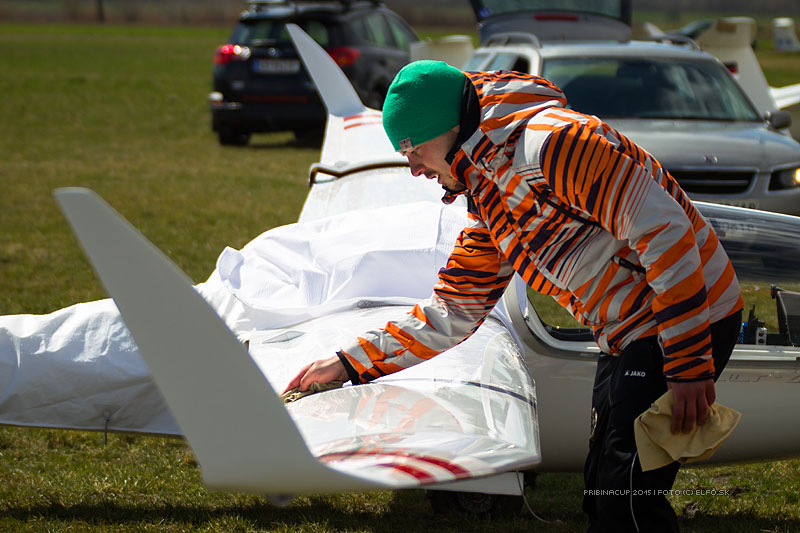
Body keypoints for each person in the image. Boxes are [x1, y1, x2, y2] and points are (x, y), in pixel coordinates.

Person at [283, 61, 743, 531]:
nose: (414, 168)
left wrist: (687, 362)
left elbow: (668, 232)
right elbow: (453, 312)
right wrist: (348, 364)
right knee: (601, 488)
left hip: (689, 316)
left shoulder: (554, 144)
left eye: (414, 150)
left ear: (450, 130)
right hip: (627, 330)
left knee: (625, 499)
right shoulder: (489, 194)